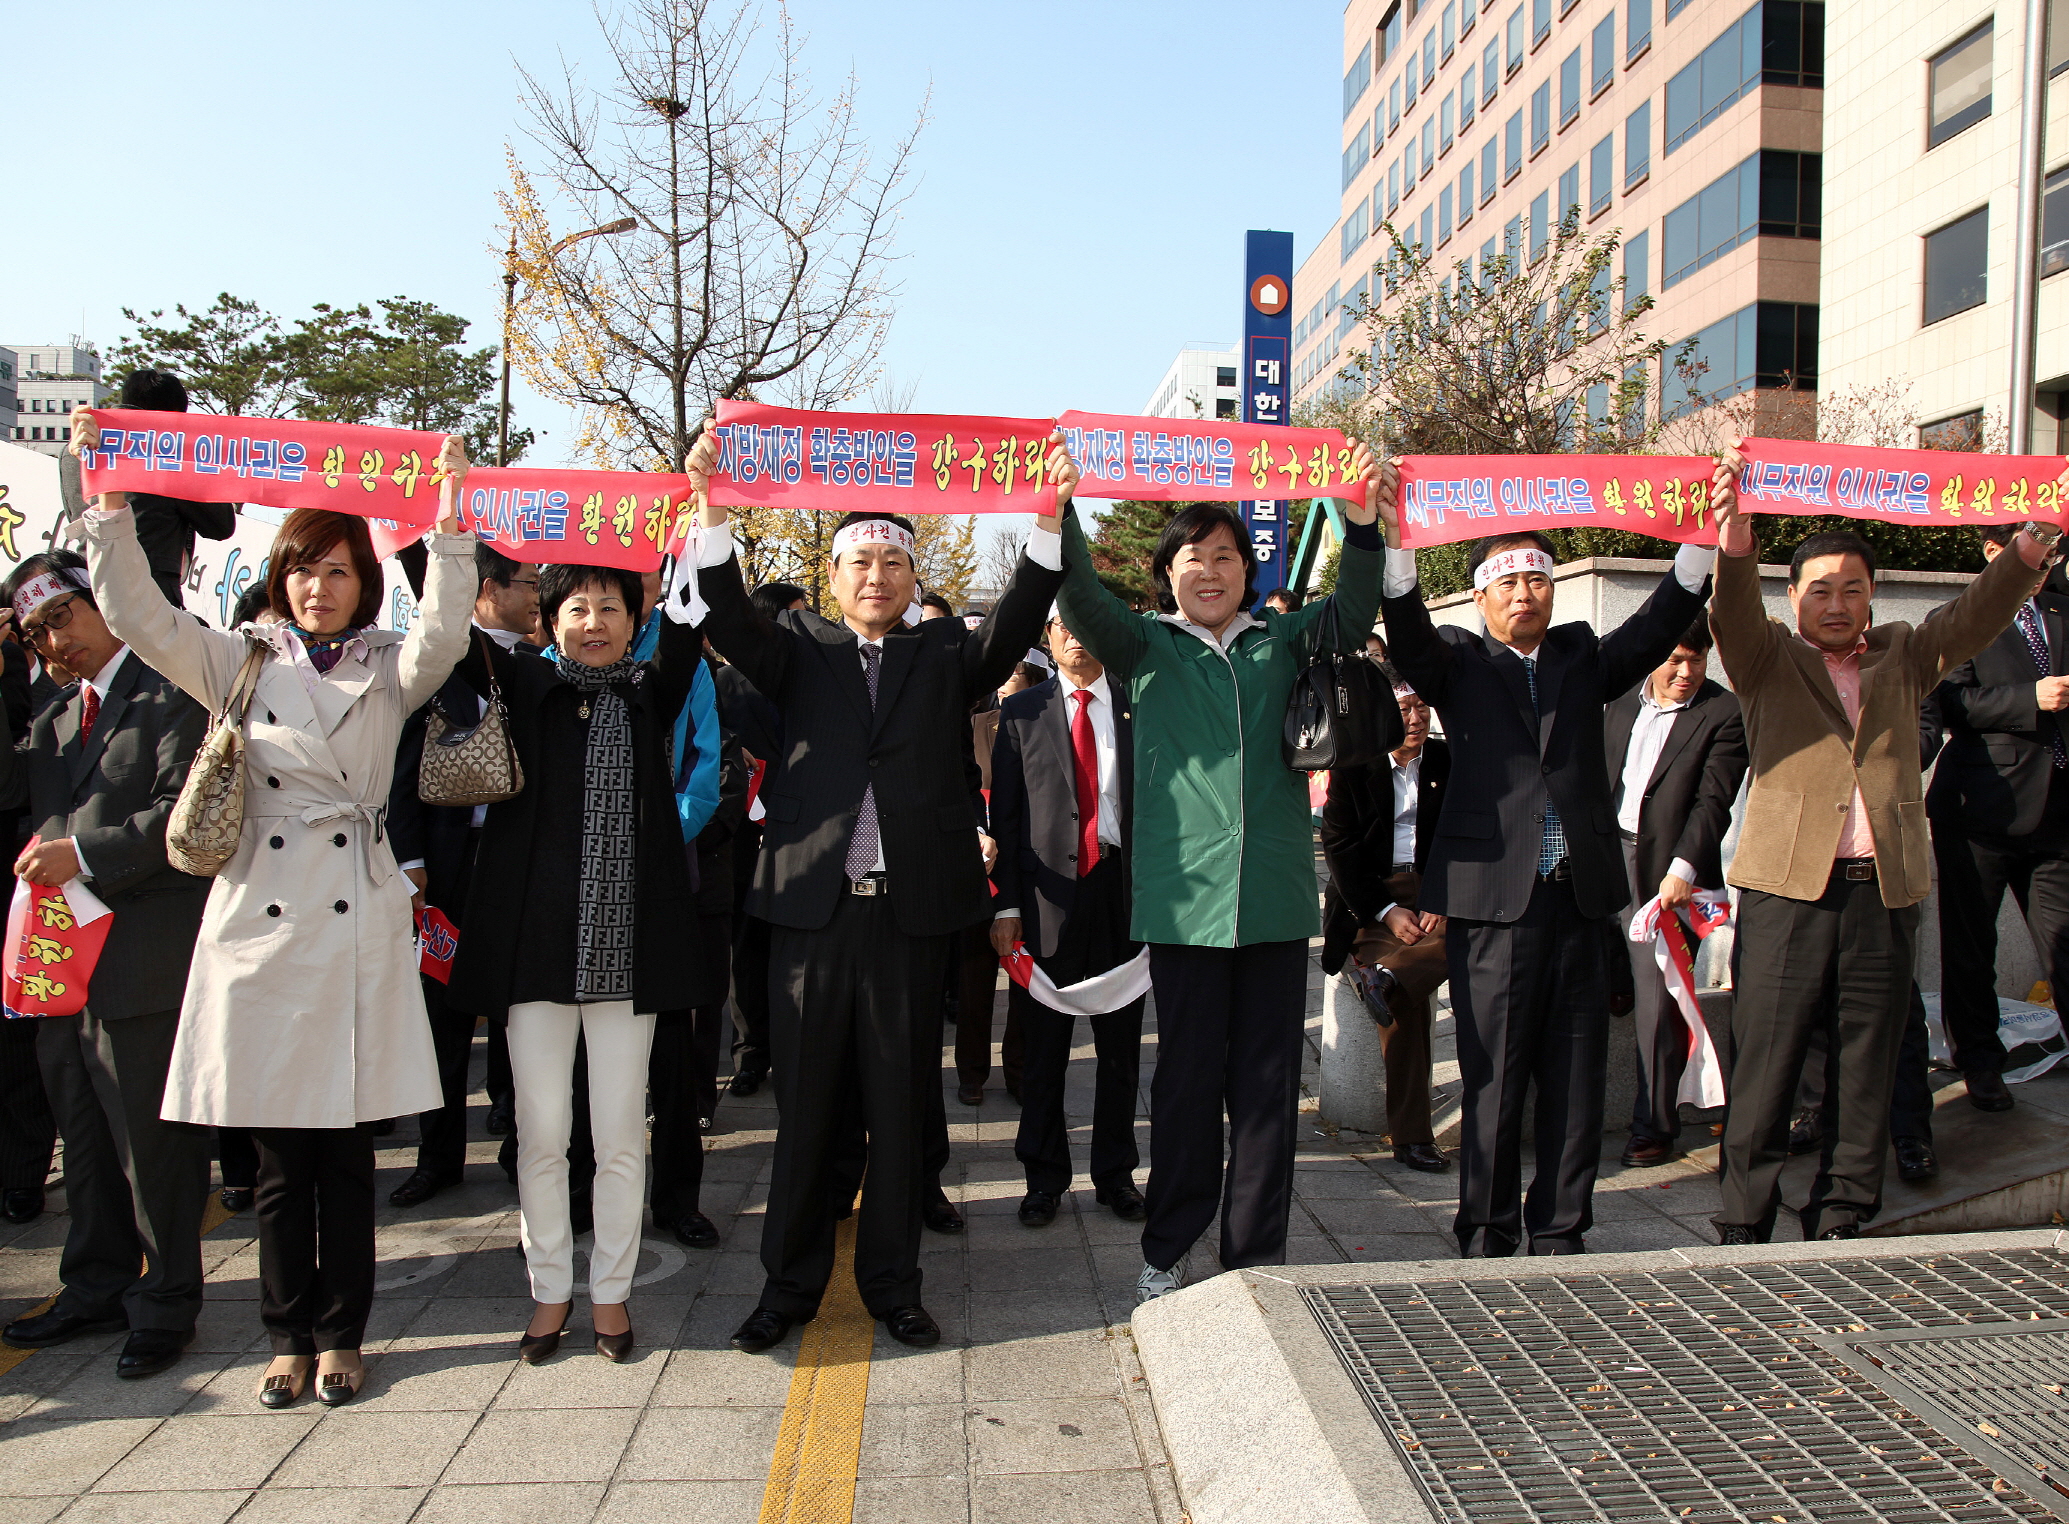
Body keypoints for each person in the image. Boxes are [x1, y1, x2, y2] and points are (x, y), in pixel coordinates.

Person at [73, 409, 477, 1409]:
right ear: (278, 574)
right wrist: (111, 505)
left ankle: (341, 1335)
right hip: (259, 921)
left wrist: (450, 511)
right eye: (304, 568)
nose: (318, 587)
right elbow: (137, 618)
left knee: (343, 1157)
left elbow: (449, 627)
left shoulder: (391, 666)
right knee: (274, 1163)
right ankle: (282, 1335)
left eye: (339, 570)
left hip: (352, 922)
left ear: (365, 581)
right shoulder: (238, 660)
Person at [686, 427, 1068, 1356]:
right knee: (808, 1116)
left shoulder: (944, 655)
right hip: (811, 920)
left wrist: (1048, 521)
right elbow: (723, 615)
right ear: (833, 572)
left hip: (907, 917)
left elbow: (1015, 621)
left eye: (895, 562)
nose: (878, 577)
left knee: (900, 1116)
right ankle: (788, 1289)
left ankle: (894, 1286)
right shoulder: (794, 650)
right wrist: (713, 510)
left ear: (911, 574)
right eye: (860, 560)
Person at [1052, 446, 1381, 1303]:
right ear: (1166, 575)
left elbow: (1353, 606)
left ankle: (1254, 1253)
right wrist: (1061, 512)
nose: (1211, 569)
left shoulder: (1283, 637)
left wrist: (1361, 519)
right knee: (1188, 1084)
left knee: (1269, 1090)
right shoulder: (1146, 647)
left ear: (1247, 570)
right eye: (1192, 557)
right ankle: (1168, 1249)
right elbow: (1080, 596)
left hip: (1272, 900)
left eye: (1226, 555)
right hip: (1185, 905)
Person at [1705, 455, 2059, 1242]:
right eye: (1819, 589)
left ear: (1873, 597)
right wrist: (1734, 539)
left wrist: (2030, 545)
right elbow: (1728, 608)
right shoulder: (1766, 657)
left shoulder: (1903, 653)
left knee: (1867, 1062)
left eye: (1852, 589)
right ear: (1792, 598)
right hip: (1788, 893)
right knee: (1766, 1060)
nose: (1836, 604)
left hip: (1883, 891)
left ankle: (1841, 1210)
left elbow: (1973, 614)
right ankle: (1743, 1217)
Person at [1376, 490, 1714, 1258]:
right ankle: (1487, 1228)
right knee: (1493, 1077)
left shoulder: (1579, 657)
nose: (1524, 594)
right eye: (1506, 582)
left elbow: (1656, 625)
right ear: (1482, 595)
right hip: (1493, 909)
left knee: (1574, 1074)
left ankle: (1561, 1227)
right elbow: (1406, 633)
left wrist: (1699, 542)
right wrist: (1397, 548)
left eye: (1536, 579)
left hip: (1577, 901)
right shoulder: (1458, 662)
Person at [443, 556, 724, 1364]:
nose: (594, 622)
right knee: (541, 1135)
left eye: (611, 607)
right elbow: (447, 632)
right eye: (576, 608)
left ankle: (610, 1295)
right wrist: (455, 522)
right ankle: (546, 1294)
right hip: (535, 955)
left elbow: (691, 618)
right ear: (546, 619)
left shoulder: (652, 691)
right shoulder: (523, 686)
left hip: (628, 958)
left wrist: (695, 524)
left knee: (619, 1137)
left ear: (635, 622)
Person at [0, 552, 212, 1378]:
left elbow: (184, 819)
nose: (55, 642)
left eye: (62, 618)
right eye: (35, 630)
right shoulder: (52, 715)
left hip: (144, 955)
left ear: (103, 602)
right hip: (61, 962)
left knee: (149, 1143)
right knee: (83, 1135)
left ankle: (167, 1301)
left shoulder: (173, 691)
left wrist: (81, 855)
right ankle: (94, 1283)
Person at [385, 547, 542, 1209]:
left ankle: (521, 1148)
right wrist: (410, 862)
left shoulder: (543, 664)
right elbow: (399, 768)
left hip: (518, 867)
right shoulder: (436, 659)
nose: (539, 594)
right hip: (447, 869)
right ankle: (438, 1157)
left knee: (524, 1017)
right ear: (487, 589)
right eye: (528, 584)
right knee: (442, 1021)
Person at [989, 608, 1146, 1227]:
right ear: (1047, 636)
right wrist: (1003, 903)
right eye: (1060, 624)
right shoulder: (1021, 714)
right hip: (1044, 898)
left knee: (1121, 1050)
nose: (1075, 634)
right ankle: (1043, 1178)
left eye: (1087, 621)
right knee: (1044, 1049)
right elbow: (1004, 816)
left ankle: (1116, 1173)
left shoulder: (1141, 706)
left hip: (1122, 893)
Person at [1927, 520, 2069, 1119]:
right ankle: (1980, 1064)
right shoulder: (1960, 618)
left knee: (2063, 942)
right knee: (1970, 947)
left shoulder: (2062, 610)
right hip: (1979, 809)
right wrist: (2027, 699)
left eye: (2053, 551)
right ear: (1994, 552)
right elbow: (1949, 700)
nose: (2046, 562)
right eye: (2035, 550)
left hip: (2058, 814)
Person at [1602, 620, 1747, 1167]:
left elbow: (1714, 802)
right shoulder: (1617, 699)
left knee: (1658, 1000)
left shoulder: (1723, 713)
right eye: (1675, 660)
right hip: (1605, 855)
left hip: (1667, 873)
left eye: (1697, 661)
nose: (1686, 674)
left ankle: (1655, 1124)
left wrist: (1683, 869)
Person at [631, 572, 745, 1252]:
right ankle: (582, 1193)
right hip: (587, 899)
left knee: (673, 1057)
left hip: (674, 880)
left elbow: (706, 776)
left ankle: (676, 1199)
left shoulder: (688, 665)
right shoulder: (556, 662)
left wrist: (648, 845)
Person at [1319, 664, 1453, 1172]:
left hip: (1438, 891)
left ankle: (1390, 976)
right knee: (1406, 1011)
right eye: (1404, 709)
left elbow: (1462, 838)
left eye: (1422, 707)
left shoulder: (1447, 759)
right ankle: (1412, 1136)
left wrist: (1439, 896)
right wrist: (1387, 911)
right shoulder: (1355, 765)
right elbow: (1339, 847)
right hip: (1372, 898)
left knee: (1469, 935)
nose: (1416, 719)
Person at [60, 371, 236, 607]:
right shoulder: (168, 450)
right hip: (150, 591)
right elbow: (220, 524)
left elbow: (75, 516)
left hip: (86, 586)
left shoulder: (74, 449)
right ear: (174, 418)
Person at [726, 581, 805, 1099]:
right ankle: (750, 1053)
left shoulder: (819, 677)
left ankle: (801, 1046)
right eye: (798, 617)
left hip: (807, 830)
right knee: (747, 947)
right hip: (744, 829)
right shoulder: (726, 682)